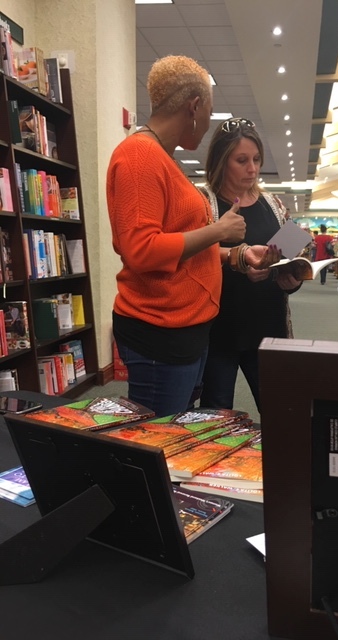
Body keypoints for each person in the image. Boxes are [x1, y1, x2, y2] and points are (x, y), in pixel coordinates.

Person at [106, 57, 278, 417]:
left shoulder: (163, 160)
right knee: (161, 442)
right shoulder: (140, 157)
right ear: (195, 106)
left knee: (182, 435)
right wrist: (218, 231)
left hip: (187, 330)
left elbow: (182, 245)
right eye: (210, 111)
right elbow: (142, 250)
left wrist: (235, 255)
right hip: (161, 333)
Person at [199, 117, 302, 412]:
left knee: (282, 414)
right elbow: (193, 260)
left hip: (270, 328)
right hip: (219, 331)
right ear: (221, 160)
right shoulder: (203, 203)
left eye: (256, 159)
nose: (252, 169)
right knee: (216, 417)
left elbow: (292, 257)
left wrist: (291, 280)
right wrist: (237, 261)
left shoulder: (274, 205)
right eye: (241, 160)